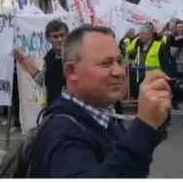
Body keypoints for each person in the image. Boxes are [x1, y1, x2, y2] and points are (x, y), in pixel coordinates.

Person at [28, 25, 169, 178]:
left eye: (119, 61)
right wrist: (144, 127)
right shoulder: (62, 132)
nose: (120, 71)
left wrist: (154, 121)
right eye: (105, 64)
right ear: (71, 72)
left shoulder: (103, 118)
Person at [15, 20, 69, 108]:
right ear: (48, 38)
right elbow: (43, 81)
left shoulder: (74, 57)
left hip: (69, 111)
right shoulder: (50, 57)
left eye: (62, 35)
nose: (59, 39)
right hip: (52, 109)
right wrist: (23, 60)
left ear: (67, 35)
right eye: (55, 36)